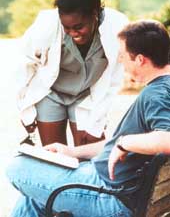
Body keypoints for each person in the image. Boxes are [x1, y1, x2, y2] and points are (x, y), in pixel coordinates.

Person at [7, 19, 170, 217]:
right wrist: (72, 152)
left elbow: (166, 139)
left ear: (140, 60)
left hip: (109, 196)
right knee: (33, 196)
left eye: (122, 56)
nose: (120, 61)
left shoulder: (156, 95)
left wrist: (124, 143)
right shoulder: (163, 88)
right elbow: (115, 144)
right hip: (112, 186)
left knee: (17, 167)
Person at [17, 0, 128, 146]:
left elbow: (114, 81)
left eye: (78, 26)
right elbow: (24, 66)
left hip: (88, 95)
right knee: (54, 157)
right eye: (66, 27)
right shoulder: (46, 25)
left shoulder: (117, 27)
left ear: (95, 13)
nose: (73, 33)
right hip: (50, 94)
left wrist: (97, 123)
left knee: (89, 157)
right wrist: (25, 109)